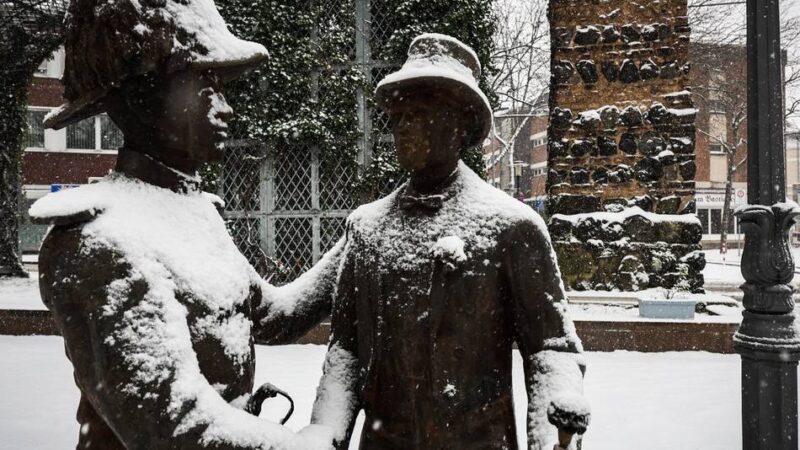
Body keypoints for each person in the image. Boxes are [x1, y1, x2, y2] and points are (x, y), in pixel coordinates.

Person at [32, 0, 337, 448]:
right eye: (205, 87)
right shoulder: (97, 240)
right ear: (143, 98)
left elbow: (272, 317)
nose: (226, 109)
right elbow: (172, 425)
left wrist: (359, 237)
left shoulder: (195, 212)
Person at [310, 34, 590, 450]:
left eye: (420, 114)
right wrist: (322, 436)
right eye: (398, 116)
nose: (404, 127)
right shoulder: (367, 230)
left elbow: (550, 351)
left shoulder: (512, 227)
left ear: (461, 126)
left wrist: (551, 438)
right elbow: (345, 354)